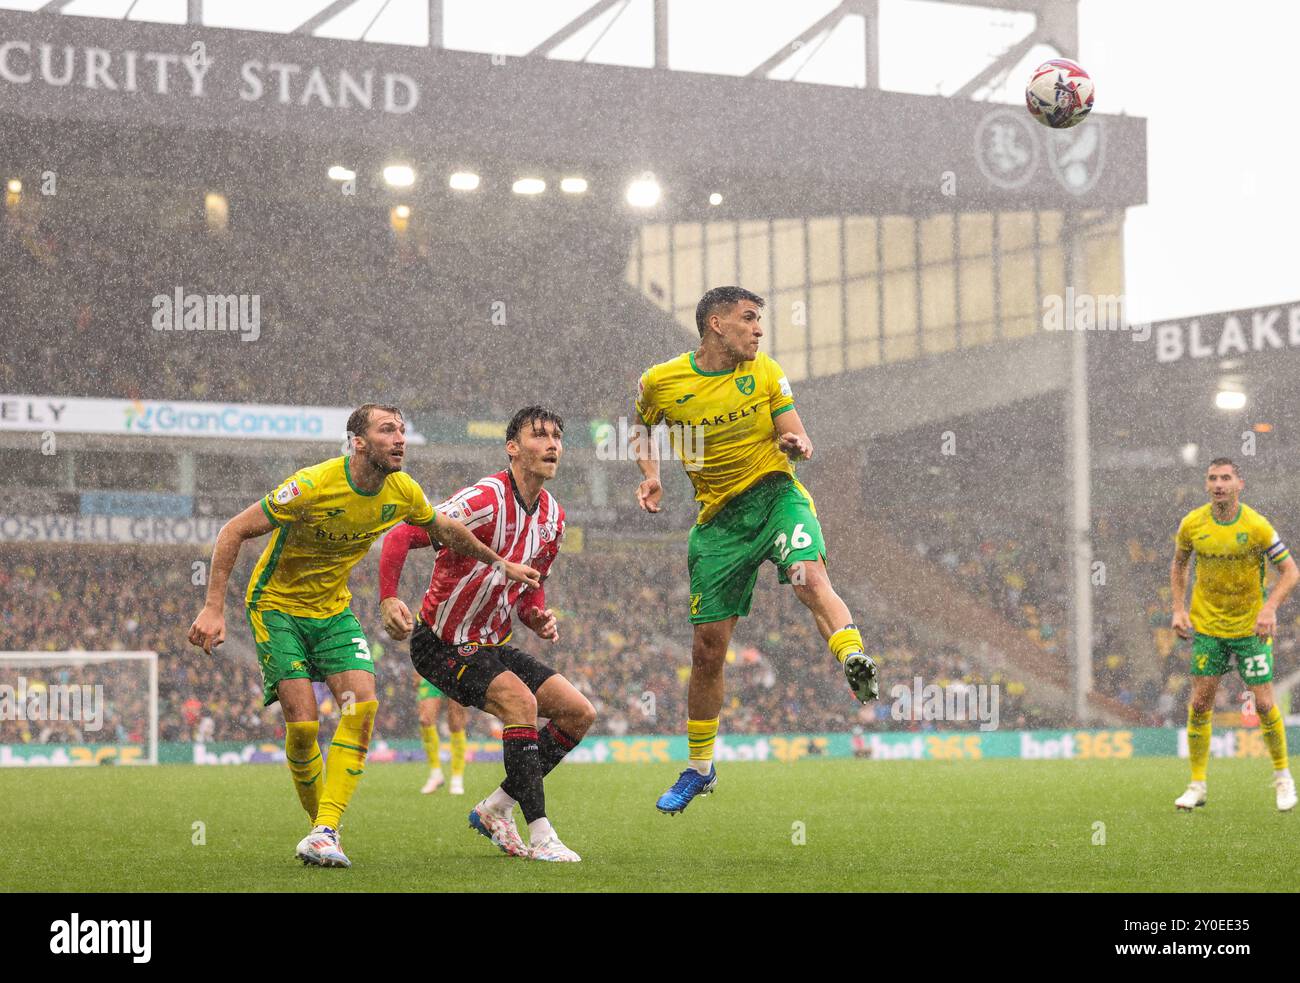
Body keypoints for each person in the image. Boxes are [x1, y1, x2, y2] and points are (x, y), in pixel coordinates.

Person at [187, 403, 539, 867]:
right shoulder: (312, 485)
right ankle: (322, 829)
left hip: (333, 610)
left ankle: (325, 831)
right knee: (305, 726)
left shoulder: (402, 490)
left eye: (401, 431)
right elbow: (234, 530)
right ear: (359, 442)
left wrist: (499, 562)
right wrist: (214, 606)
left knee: (362, 706)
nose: (399, 439)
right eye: (387, 430)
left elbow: (443, 527)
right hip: (277, 606)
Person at [633, 285, 878, 816]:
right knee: (707, 651)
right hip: (719, 525)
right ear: (716, 324)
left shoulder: (765, 371)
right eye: (750, 319)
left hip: (776, 497)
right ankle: (699, 769)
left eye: (760, 320)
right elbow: (640, 427)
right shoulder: (661, 381)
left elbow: (795, 432)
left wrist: (798, 445)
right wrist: (651, 475)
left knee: (809, 579)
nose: (760, 329)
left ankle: (853, 655)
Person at [379, 406, 596, 862]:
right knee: (522, 705)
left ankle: (497, 808)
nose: (552, 444)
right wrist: (387, 598)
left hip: (492, 644)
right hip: (440, 642)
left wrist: (537, 616)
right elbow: (403, 534)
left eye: (558, 436)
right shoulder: (484, 499)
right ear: (512, 448)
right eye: (539, 436)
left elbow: (529, 593)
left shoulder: (554, 518)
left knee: (579, 713)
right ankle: (541, 835)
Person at [1170, 457, 1299, 812]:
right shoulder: (1192, 524)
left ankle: (1283, 778)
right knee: (1199, 704)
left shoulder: (1256, 525)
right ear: (1206, 484)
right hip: (1209, 626)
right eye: (1212, 478)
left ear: (1240, 484)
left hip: (1248, 628)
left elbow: (1290, 571)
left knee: (1264, 703)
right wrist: (1179, 609)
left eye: (1226, 478)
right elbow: (1179, 563)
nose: (1218, 484)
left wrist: (1269, 607)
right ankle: (1197, 784)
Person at [414, 672, 469, 795]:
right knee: (425, 719)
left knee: (456, 723)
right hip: (432, 671)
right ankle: (436, 774)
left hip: (456, 670)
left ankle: (457, 777)